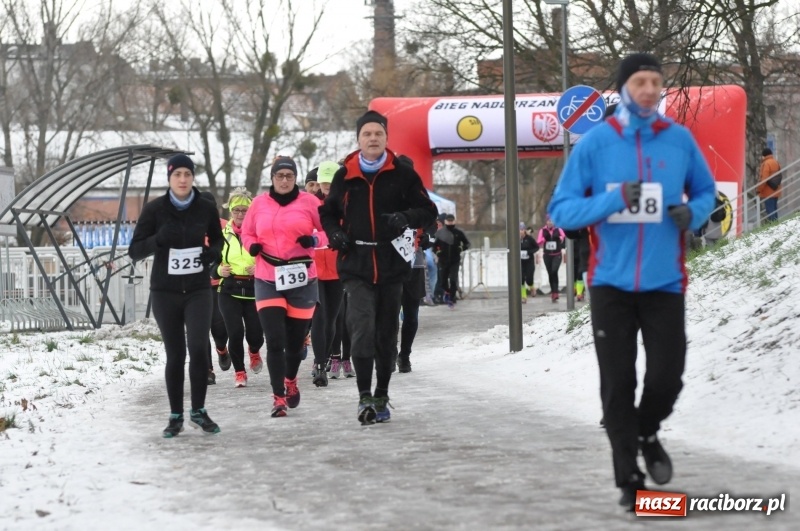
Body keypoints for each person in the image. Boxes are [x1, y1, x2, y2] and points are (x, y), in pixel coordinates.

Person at [548, 53, 716, 510]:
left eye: (655, 81)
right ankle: (630, 480)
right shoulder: (596, 145)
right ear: (624, 88)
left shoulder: (678, 140)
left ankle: (646, 429)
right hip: (610, 284)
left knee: (667, 375)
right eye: (640, 81)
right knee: (617, 382)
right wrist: (611, 201)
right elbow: (561, 212)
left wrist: (693, 213)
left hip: (665, 282)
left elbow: (705, 192)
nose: (648, 88)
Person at [319, 110, 437, 425]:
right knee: (361, 330)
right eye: (367, 134)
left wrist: (406, 218)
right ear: (359, 139)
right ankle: (363, 397)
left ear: (386, 138)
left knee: (386, 337)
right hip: (356, 265)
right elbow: (327, 212)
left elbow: (428, 210)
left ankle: (381, 394)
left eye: (378, 134)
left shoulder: (403, 174)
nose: (373, 138)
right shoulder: (345, 174)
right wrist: (334, 234)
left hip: (391, 267)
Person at [128, 154, 224, 437]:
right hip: (165, 291)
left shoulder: (205, 208)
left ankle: (198, 411)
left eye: (187, 174)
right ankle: (175, 415)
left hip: (197, 289)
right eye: (177, 174)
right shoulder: (155, 210)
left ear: (193, 177)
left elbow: (218, 239)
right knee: (175, 353)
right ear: (169, 178)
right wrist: (158, 240)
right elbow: (135, 250)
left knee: (197, 348)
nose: (183, 179)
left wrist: (213, 254)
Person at [241, 155, 325, 417]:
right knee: (274, 340)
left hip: (302, 277)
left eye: (289, 175)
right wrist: (250, 245)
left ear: (296, 178)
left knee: (295, 343)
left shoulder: (309, 202)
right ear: (272, 178)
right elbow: (247, 231)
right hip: (268, 276)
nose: (285, 180)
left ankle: (290, 380)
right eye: (280, 175)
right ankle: (278, 396)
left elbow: (326, 232)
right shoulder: (259, 204)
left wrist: (313, 239)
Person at [216, 188, 265, 388]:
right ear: (230, 211)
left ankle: (254, 350)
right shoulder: (222, 234)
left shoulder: (259, 232)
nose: (240, 215)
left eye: (244, 211)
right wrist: (219, 269)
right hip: (229, 289)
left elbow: (270, 257)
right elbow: (211, 260)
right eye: (236, 210)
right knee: (234, 332)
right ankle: (239, 372)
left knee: (255, 334)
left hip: (254, 288)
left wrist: (259, 267)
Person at [309, 160, 345, 385]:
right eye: (323, 183)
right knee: (318, 318)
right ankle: (320, 363)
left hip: (338, 268)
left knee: (331, 320)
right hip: (313, 269)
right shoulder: (309, 203)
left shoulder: (346, 202)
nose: (326, 188)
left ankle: (327, 356)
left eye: (331, 183)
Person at [433, 214, 470, 306]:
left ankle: (452, 297)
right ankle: (447, 292)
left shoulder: (458, 232)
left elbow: (467, 243)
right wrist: (438, 253)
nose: (450, 222)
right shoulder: (440, 233)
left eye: (451, 221)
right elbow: (434, 246)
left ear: (454, 221)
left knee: (453, 279)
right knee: (442, 281)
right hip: (443, 261)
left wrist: (460, 249)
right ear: (445, 221)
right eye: (448, 221)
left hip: (455, 260)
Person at [536, 217, 565, 302]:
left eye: (552, 221)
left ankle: (556, 292)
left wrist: (559, 238)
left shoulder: (558, 229)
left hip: (557, 254)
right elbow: (538, 242)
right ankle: (553, 292)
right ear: (546, 222)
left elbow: (564, 237)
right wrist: (544, 239)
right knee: (550, 273)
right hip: (547, 255)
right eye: (549, 221)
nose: (550, 222)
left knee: (554, 271)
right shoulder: (543, 230)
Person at [757, 147, 781, 222]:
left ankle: (773, 226)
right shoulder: (776, 162)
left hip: (768, 192)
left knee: (770, 211)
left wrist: (758, 189)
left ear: (764, 155)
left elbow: (764, 179)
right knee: (774, 209)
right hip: (776, 190)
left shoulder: (766, 163)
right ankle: (776, 226)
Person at [519, 222, 539, 303]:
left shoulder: (529, 239)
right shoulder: (515, 239)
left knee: (529, 279)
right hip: (520, 262)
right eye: (519, 230)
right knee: (521, 279)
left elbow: (536, 247)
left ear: (524, 230)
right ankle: (523, 297)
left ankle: (532, 287)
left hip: (529, 262)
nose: (521, 231)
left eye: (522, 229)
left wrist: (529, 252)